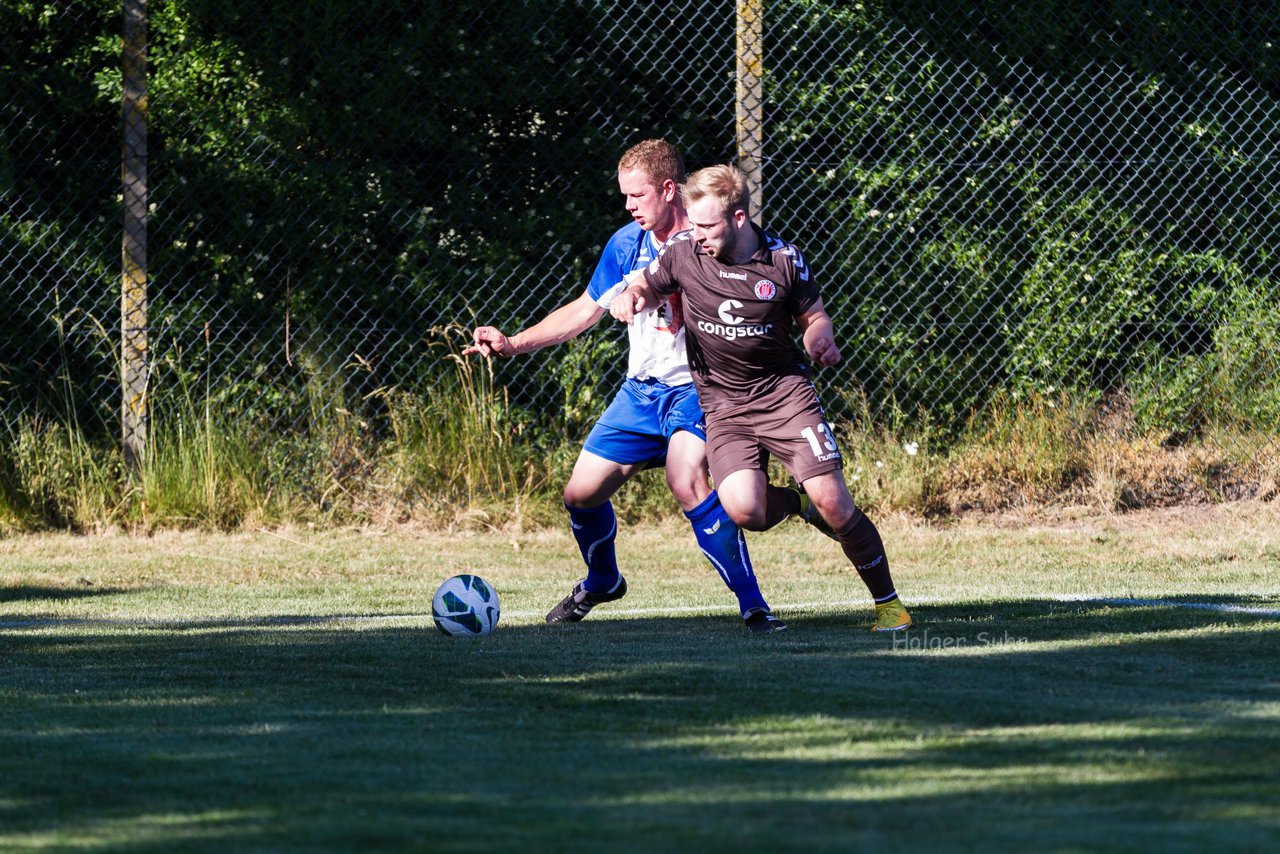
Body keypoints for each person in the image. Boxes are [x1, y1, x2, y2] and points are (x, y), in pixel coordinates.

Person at [464, 140, 786, 633]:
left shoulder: (716, 239)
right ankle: (603, 580)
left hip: (700, 392)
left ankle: (754, 605)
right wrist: (512, 344)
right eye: (625, 197)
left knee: (686, 479)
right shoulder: (625, 245)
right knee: (580, 494)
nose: (628, 206)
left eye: (637, 196)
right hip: (641, 393)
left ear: (669, 189)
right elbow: (583, 311)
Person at [610, 164, 912, 632]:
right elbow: (647, 283)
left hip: (783, 395)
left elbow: (815, 316)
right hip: (724, 406)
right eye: (693, 223)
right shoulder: (684, 251)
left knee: (834, 501)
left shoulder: (783, 261)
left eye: (707, 225)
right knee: (745, 510)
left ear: (737, 219)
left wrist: (819, 339)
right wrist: (631, 297)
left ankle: (889, 605)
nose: (696, 234)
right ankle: (797, 505)